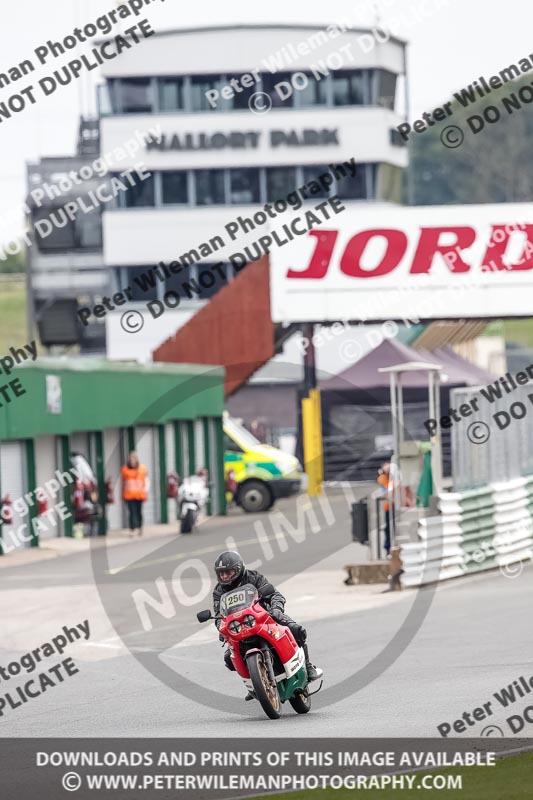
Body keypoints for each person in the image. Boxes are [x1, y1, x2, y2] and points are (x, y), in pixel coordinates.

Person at [212, 550, 322, 697]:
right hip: (239, 626)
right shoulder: (219, 591)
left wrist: (276, 609)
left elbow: (275, 594)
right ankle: (255, 682)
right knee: (228, 659)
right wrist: (221, 628)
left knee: (297, 630)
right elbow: (219, 614)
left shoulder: (254, 577)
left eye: (228, 572)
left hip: (264, 617)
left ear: (238, 569)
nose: (224, 576)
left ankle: (307, 666)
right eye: (221, 573)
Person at [121, 451, 149, 536]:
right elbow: (123, 483)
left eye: (133, 459)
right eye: (131, 460)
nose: (132, 461)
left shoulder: (142, 469)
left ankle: (140, 527)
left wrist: (145, 491)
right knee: (132, 512)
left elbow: (147, 481)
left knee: (139, 512)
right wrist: (122, 494)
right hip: (129, 495)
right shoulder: (125, 469)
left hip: (139, 495)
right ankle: (132, 529)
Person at [377, 461, 393, 555]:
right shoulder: (382, 479)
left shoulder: (395, 477)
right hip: (389, 507)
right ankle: (388, 547)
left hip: (396, 506)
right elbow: (387, 491)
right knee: (389, 528)